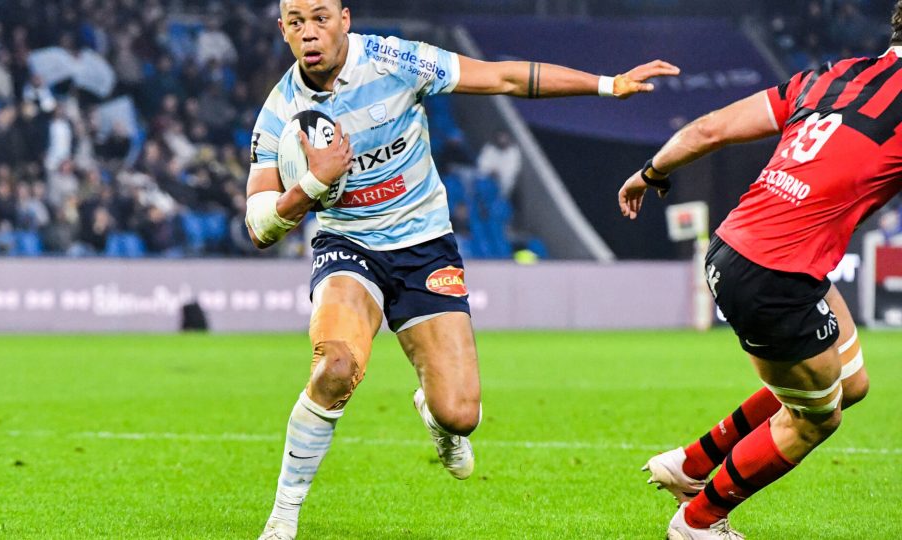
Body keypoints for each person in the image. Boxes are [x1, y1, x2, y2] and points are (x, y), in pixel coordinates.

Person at [247, 2, 679, 539]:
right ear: (283, 30)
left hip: (424, 244)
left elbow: (501, 77)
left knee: (460, 414)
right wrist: (312, 186)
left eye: (320, 18)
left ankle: (436, 415)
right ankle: (282, 519)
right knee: (335, 367)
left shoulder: (395, 60)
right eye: (295, 22)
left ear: (345, 19)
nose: (309, 33)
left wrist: (607, 85)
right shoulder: (279, 111)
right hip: (348, 244)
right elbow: (258, 225)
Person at [612, 5, 902, 537]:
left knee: (850, 382)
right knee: (818, 418)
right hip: (775, 276)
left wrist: (650, 173)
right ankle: (699, 523)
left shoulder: (828, 77)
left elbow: (709, 128)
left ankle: (692, 465)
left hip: (739, 248)